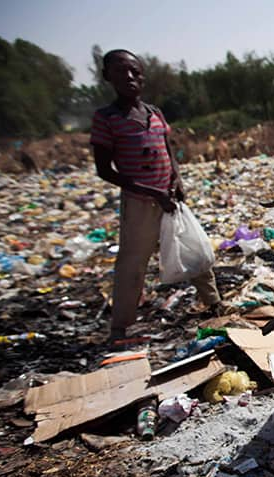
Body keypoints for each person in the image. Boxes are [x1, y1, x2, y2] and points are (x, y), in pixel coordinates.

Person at [90, 49, 221, 345]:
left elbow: (168, 149)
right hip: (140, 204)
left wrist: (177, 178)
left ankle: (214, 304)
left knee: (195, 251)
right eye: (121, 71)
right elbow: (104, 170)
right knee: (132, 265)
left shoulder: (154, 113)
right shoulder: (107, 118)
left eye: (135, 71)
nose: (129, 77)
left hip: (170, 200)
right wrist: (151, 192)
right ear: (107, 76)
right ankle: (120, 327)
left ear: (143, 77)